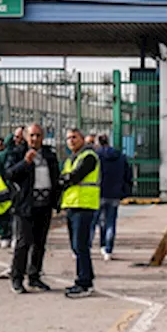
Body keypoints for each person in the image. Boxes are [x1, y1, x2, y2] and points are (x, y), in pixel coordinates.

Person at [5, 123, 61, 294]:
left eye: (38, 135)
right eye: (32, 135)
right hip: (26, 205)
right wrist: (25, 162)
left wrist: (56, 202)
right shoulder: (17, 153)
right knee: (23, 243)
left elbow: (56, 177)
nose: (35, 139)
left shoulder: (49, 154)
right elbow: (8, 174)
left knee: (40, 243)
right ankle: (17, 278)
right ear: (26, 137)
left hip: (44, 206)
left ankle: (34, 276)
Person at [59, 127, 101, 298]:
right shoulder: (71, 159)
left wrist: (63, 180)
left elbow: (74, 177)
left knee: (80, 245)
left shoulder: (88, 156)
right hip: (72, 205)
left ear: (82, 139)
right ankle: (85, 277)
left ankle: (84, 282)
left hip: (84, 205)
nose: (71, 141)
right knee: (76, 246)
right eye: (68, 138)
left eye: (75, 137)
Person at [95, 133, 133, 260]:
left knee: (99, 221)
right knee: (111, 222)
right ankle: (108, 249)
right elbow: (128, 174)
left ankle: (99, 245)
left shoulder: (96, 156)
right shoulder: (120, 156)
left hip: (99, 192)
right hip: (115, 193)